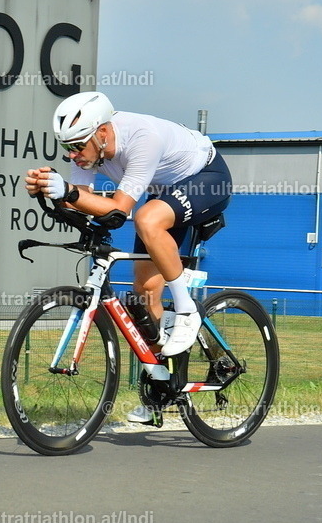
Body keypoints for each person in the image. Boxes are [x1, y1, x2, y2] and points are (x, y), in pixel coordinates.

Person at [25, 92, 231, 419]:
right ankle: (164, 387)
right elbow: (84, 201)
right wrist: (50, 190)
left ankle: (187, 311)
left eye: (78, 146)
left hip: (207, 177)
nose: (73, 155)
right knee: (145, 293)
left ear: (102, 133)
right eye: (66, 148)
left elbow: (119, 210)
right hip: (165, 191)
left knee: (148, 217)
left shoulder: (141, 138)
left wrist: (67, 191)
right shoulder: (88, 152)